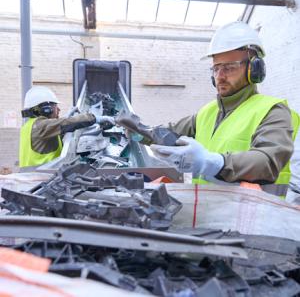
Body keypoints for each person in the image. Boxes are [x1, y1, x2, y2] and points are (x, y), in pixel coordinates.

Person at [148, 21, 299, 197]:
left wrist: (213, 162)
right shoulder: (208, 112)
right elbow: (169, 132)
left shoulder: (273, 111)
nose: (220, 76)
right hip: (206, 213)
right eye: (216, 68)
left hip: (252, 217)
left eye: (229, 67)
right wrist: (136, 130)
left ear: (254, 68)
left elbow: (266, 161)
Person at [19, 86, 115, 168]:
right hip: (42, 174)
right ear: (46, 110)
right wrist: (96, 118)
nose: (59, 110)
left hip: (33, 174)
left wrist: (68, 118)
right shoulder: (41, 125)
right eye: (55, 107)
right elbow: (64, 123)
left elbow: (55, 136)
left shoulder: (29, 126)